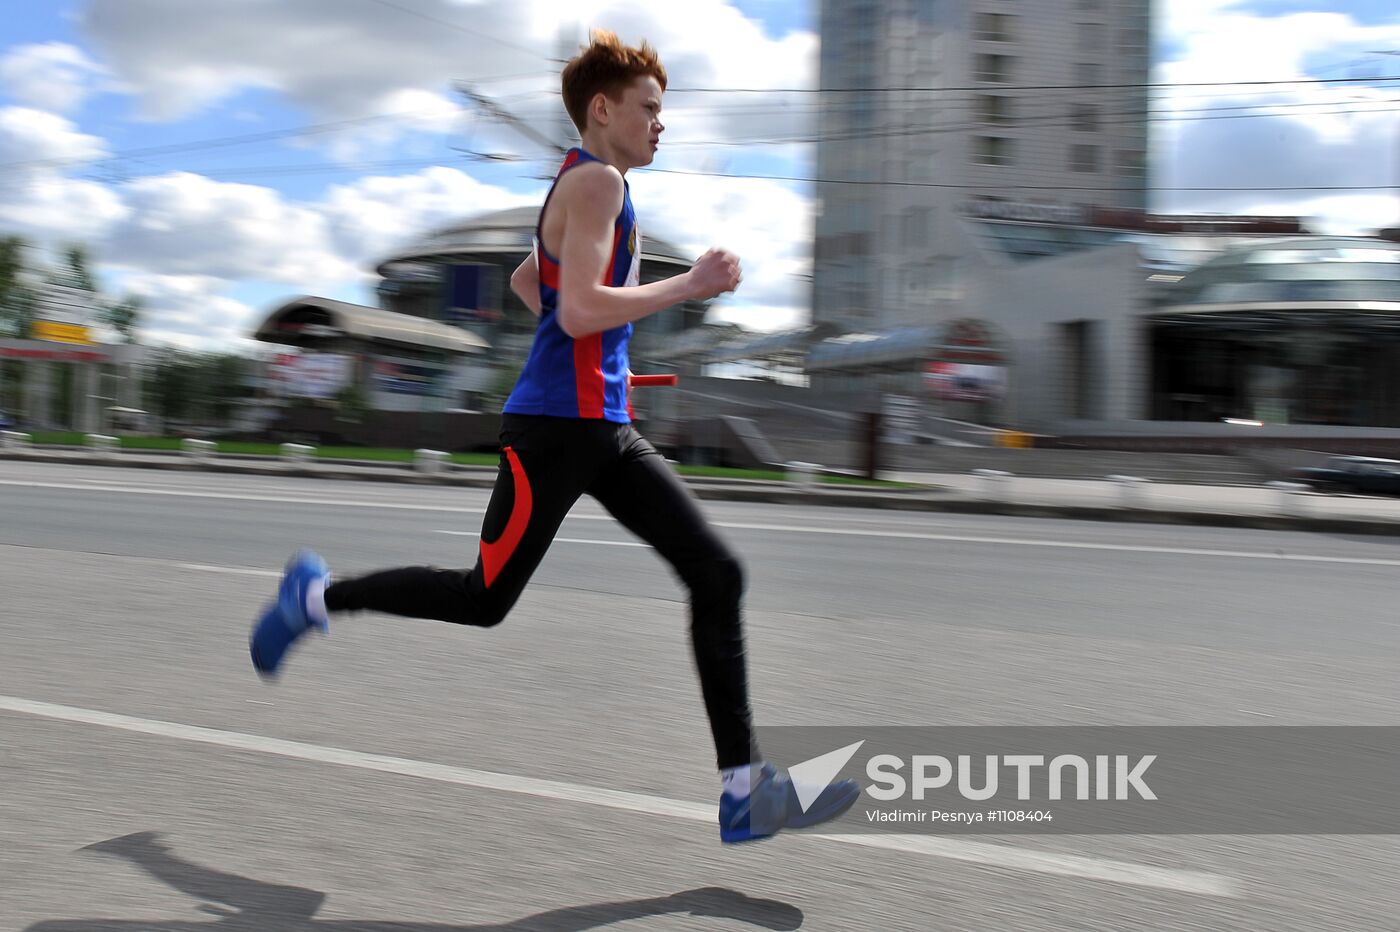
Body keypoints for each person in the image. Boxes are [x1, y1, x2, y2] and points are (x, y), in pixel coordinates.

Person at [249, 29, 858, 844]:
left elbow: (529, 280)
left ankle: (746, 788)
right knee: (484, 600)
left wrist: (603, 363)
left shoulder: (582, 185)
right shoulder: (600, 183)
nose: (660, 124)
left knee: (717, 573)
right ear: (601, 110)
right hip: (552, 433)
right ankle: (314, 597)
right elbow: (572, 308)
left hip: (598, 425)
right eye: (649, 108)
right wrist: (692, 284)